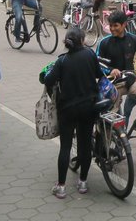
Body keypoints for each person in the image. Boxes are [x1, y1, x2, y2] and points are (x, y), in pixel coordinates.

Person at [40, 27, 104, 198]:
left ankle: (61, 187)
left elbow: (48, 80)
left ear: (67, 42)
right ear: (82, 40)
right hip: (89, 107)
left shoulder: (62, 61)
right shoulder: (90, 54)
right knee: (85, 145)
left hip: (67, 109)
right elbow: (99, 74)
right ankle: (83, 182)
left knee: (66, 147)